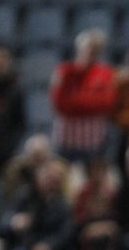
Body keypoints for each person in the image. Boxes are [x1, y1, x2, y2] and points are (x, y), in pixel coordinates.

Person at [49, 30, 119, 163]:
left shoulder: (106, 73)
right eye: (88, 48)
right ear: (79, 48)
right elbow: (60, 104)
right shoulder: (64, 71)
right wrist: (90, 102)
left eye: (96, 50)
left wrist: (75, 102)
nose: (91, 53)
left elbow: (107, 103)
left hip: (94, 141)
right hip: (66, 140)